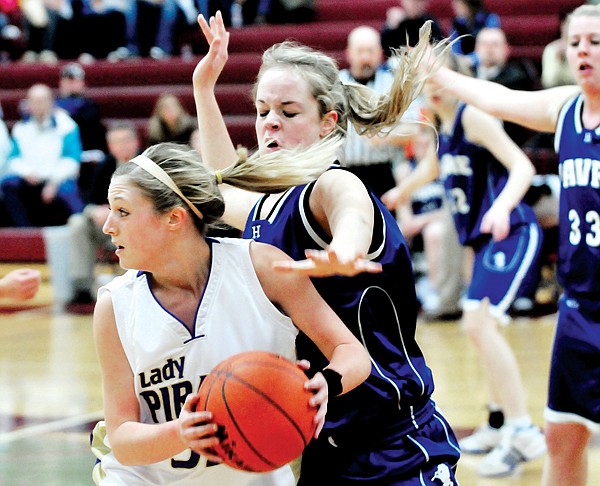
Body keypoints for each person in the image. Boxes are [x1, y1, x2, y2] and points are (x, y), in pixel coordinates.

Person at [193, 12, 460, 484]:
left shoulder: (332, 184)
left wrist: (346, 248)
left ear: (327, 123)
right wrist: (204, 89)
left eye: (289, 112)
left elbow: (351, 209)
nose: (270, 123)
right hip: (320, 445)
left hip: (395, 444)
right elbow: (219, 185)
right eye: (261, 112)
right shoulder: (266, 206)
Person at [90, 141, 372, 485]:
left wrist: (327, 383)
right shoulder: (114, 305)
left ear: (174, 218)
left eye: (122, 211)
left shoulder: (262, 267)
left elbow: (352, 352)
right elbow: (122, 441)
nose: (107, 225)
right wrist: (180, 433)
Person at [425, 5, 600, 484]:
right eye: (576, 41)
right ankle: (511, 425)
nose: (583, 50)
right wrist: (442, 75)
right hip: (580, 306)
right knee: (563, 440)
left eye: (595, 42)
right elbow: (498, 97)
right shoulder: (566, 107)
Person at [383, 53, 547, 477]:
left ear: (459, 77)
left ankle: (522, 429)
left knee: (478, 324)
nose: (433, 85)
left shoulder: (474, 117)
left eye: (440, 76)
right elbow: (434, 168)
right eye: (425, 79)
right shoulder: (442, 126)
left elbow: (522, 167)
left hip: (511, 231)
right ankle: (496, 423)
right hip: (485, 241)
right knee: (479, 329)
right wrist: (401, 193)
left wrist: (503, 208)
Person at [392, 125, 464, 320]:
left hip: (438, 221)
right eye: (418, 143)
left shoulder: (443, 167)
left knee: (435, 232)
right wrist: (409, 222)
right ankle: (394, 298)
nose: (422, 145)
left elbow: (450, 208)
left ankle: (437, 291)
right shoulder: (405, 170)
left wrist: (422, 221)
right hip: (416, 222)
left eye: (427, 142)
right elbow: (403, 211)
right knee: (391, 234)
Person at [65, 121, 140, 307]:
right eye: (116, 142)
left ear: (136, 142)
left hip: (139, 227)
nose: (121, 145)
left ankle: (140, 282)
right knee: (77, 222)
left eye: (125, 140)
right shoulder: (105, 166)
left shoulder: (148, 165)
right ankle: (82, 286)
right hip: (110, 228)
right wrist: (95, 211)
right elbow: (87, 201)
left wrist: (116, 212)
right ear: (110, 146)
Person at [339, 25, 408, 200]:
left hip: (384, 171)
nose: (366, 57)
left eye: (370, 51)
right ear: (349, 53)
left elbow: (415, 129)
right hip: (344, 172)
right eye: (360, 51)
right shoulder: (334, 85)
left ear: (379, 52)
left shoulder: (394, 85)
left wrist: (388, 135)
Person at [0, 83, 83, 227]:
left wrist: (53, 182)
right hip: (31, 178)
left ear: (51, 101)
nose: (38, 105)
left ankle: (80, 228)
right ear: (29, 104)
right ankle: (25, 231)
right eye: (34, 101)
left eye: (42, 100)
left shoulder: (67, 125)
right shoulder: (21, 128)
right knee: (8, 184)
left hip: (58, 179)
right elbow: (13, 158)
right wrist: (27, 172)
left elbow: (72, 159)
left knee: (68, 191)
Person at [471, 27, 539, 147]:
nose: (489, 49)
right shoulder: (466, 76)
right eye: (484, 44)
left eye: (495, 44)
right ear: (476, 49)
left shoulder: (518, 78)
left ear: (507, 49)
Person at [56, 62, 108, 157]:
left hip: (86, 150)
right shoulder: (53, 105)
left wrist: (67, 116)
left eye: (75, 80)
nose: (71, 84)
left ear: (83, 83)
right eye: (67, 80)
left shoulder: (90, 107)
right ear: (61, 82)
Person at [541, 10, 577, 89]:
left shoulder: (587, 49)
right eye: (567, 24)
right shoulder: (551, 48)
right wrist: (560, 59)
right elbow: (549, 81)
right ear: (562, 26)